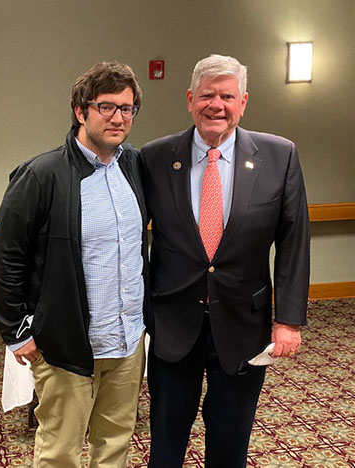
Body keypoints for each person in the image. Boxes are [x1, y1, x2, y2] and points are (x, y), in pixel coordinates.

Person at [140, 54, 310, 468]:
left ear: (244, 102)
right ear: (189, 99)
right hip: (173, 321)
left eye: (227, 96)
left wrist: (287, 320)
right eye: (207, 96)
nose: (216, 105)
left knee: (231, 434)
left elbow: (293, 240)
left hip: (243, 324)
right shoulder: (154, 157)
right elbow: (130, 237)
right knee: (165, 433)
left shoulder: (279, 155)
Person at [0, 61, 149, 468]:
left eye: (127, 108)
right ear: (81, 111)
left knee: (114, 444)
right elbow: (6, 257)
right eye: (107, 106)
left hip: (127, 344)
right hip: (67, 347)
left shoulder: (133, 167)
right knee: (60, 452)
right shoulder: (41, 175)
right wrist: (16, 334)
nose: (118, 117)